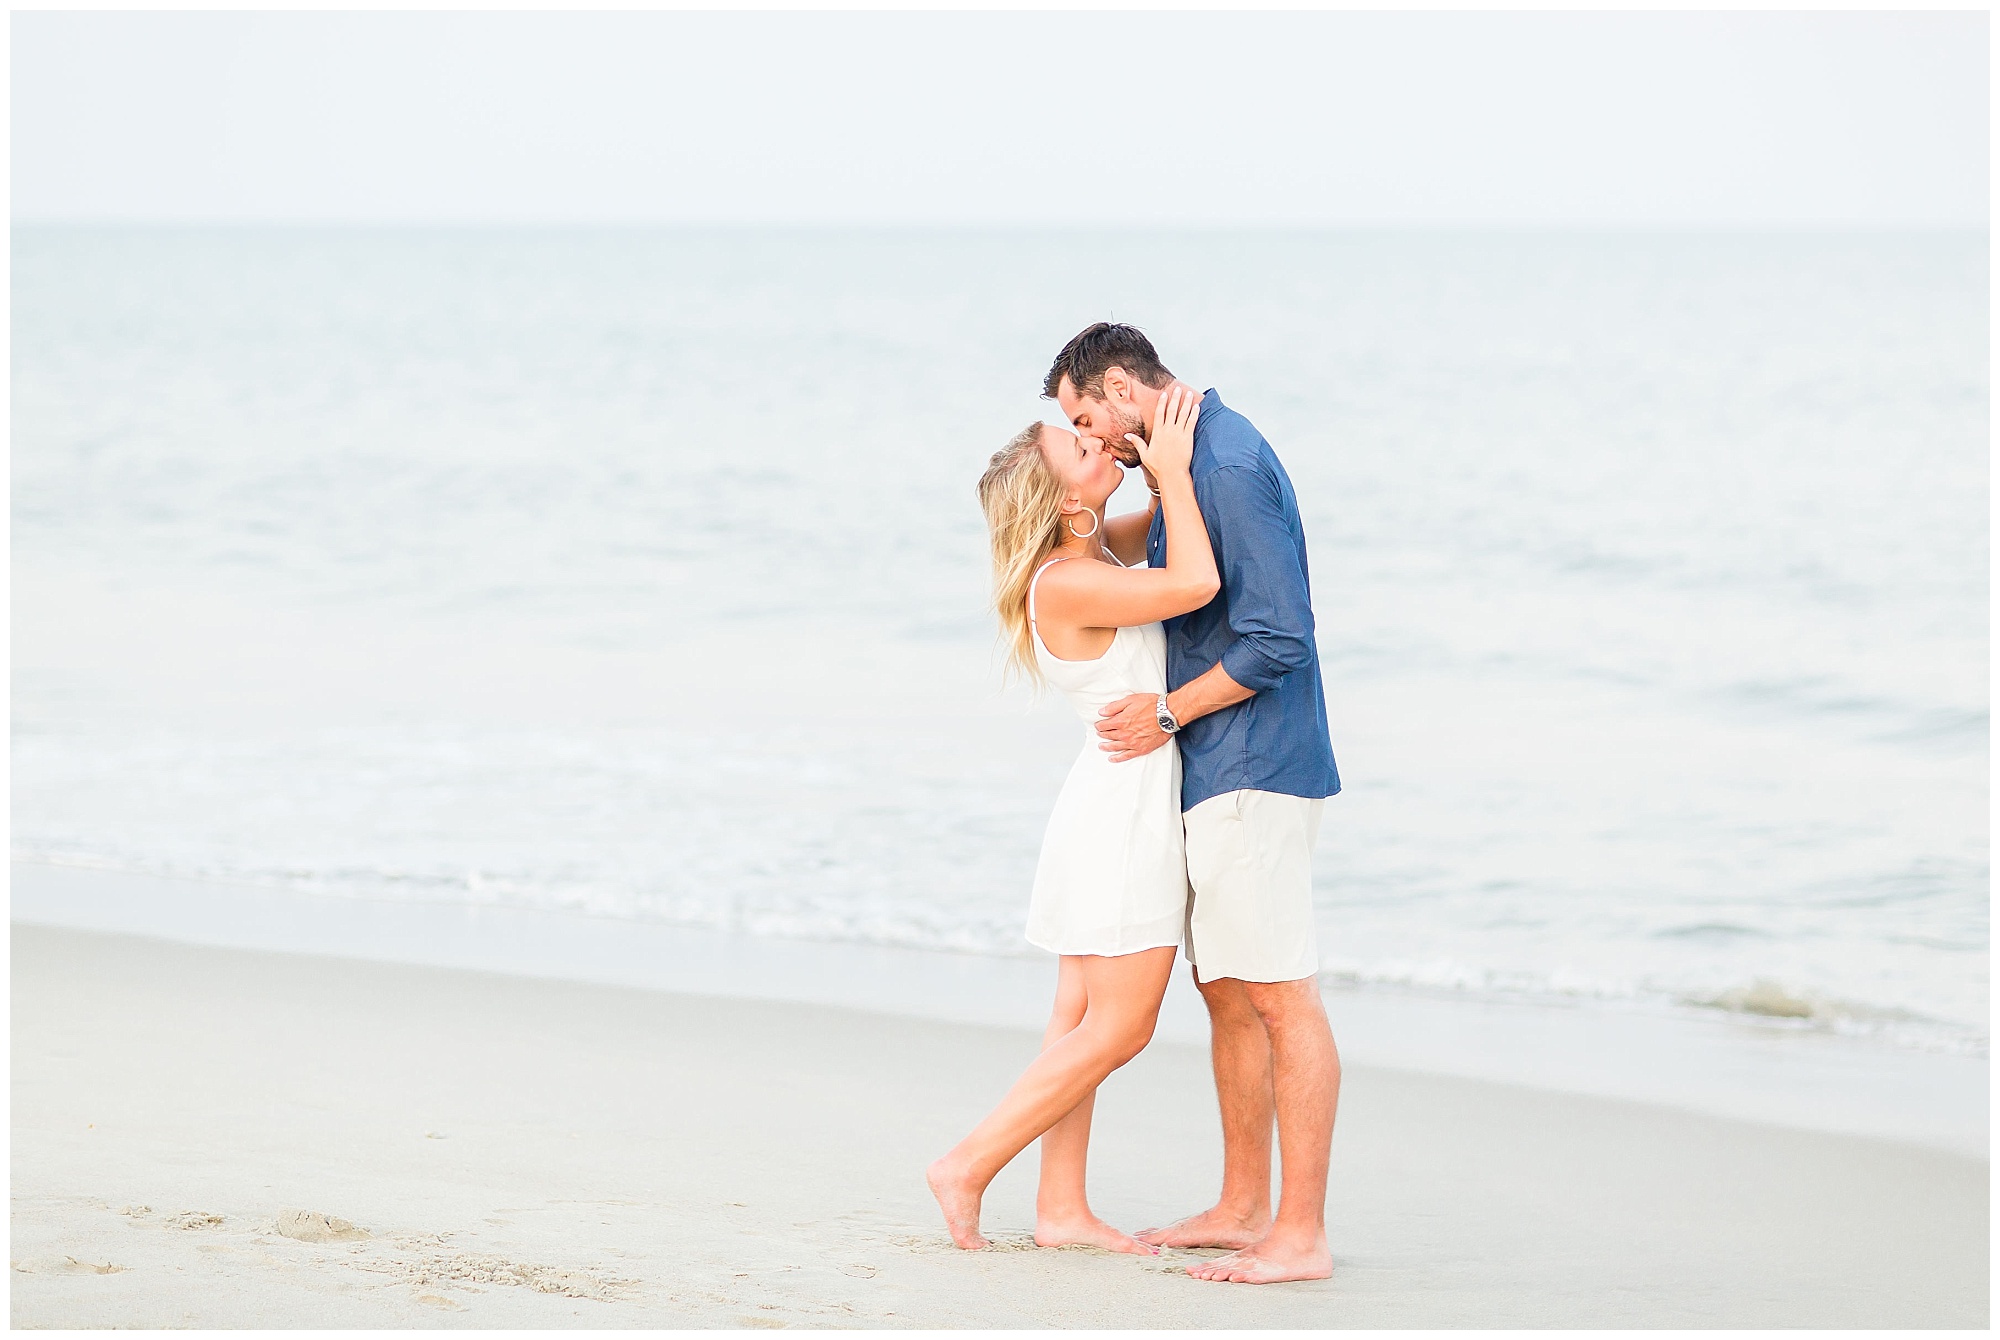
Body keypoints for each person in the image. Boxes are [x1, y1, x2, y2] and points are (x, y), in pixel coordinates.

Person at [1049, 322, 1343, 1285]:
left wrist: (1170, 710)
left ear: (1128, 386)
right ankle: (1242, 1202)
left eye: (1092, 417)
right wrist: (1092, 492)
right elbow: (1130, 568)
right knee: (1227, 991)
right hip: (1216, 765)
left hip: (1254, 764)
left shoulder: (1221, 463)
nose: (1098, 439)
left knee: (1279, 995)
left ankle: (1298, 1235)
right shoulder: (1182, 461)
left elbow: (1278, 637)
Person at [927, 387, 1214, 1255]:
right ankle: (968, 1165)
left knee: (1079, 1023)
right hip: (1121, 816)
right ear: (1063, 499)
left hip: (1105, 801)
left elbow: (1162, 534)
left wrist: (1159, 474)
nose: (1100, 447)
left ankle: (1061, 1208)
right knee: (1120, 1027)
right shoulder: (1072, 581)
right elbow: (1197, 580)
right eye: (1082, 449)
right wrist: (1164, 465)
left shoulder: (1085, 554)